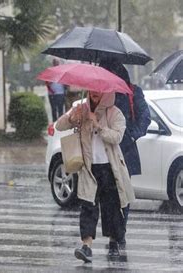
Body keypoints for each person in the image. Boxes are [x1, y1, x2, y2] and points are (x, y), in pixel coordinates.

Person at [55, 90, 135, 262]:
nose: (95, 94)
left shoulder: (114, 113)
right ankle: (87, 246)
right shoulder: (81, 109)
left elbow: (117, 137)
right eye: (92, 90)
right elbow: (59, 126)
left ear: (107, 93)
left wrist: (98, 124)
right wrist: (72, 118)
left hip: (110, 167)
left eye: (100, 91)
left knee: (112, 207)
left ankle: (114, 243)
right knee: (88, 206)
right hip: (89, 168)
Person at [99, 59, 151, 249]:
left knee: (121, 193)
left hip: (124, 150)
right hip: (103, 148)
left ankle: (118, 234)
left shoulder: (132, 92)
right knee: (108, 194)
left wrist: (130, 136)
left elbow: (145, 118)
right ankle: (114, 234)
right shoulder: (101, 93)